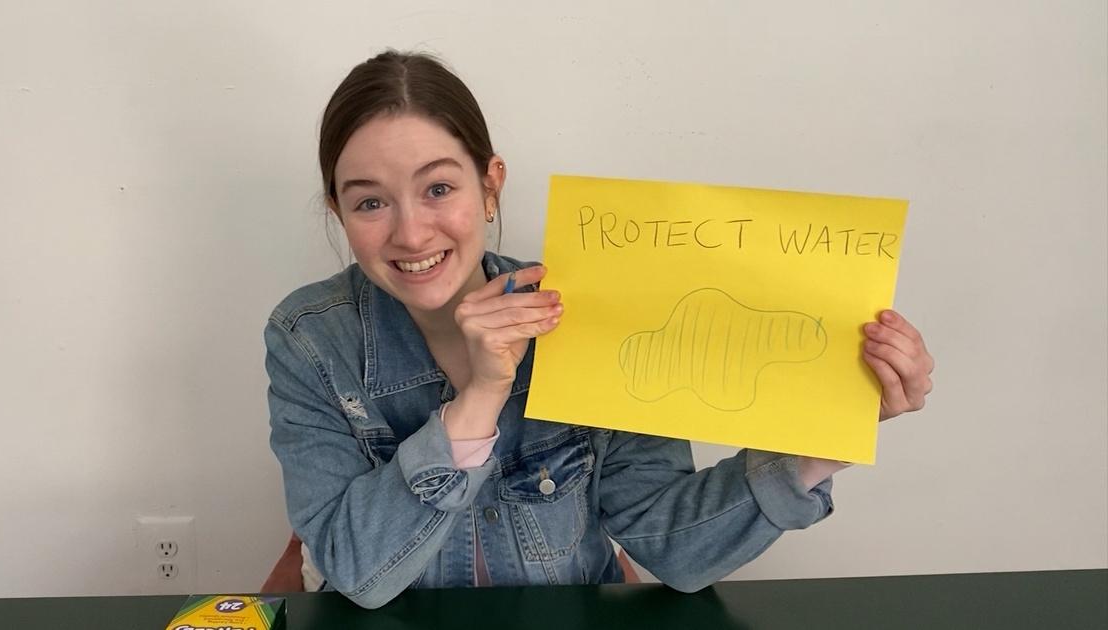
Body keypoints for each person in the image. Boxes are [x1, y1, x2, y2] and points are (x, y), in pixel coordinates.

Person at [265, 50, 934, 609]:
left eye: (439, 188)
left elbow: (675, 547)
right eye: (370, 201)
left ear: (490, 184)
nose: (411, 232)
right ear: (338, 209)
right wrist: (481, 398)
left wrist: (823, 442)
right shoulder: (308, 339)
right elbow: (355, 573)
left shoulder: (593, 313)